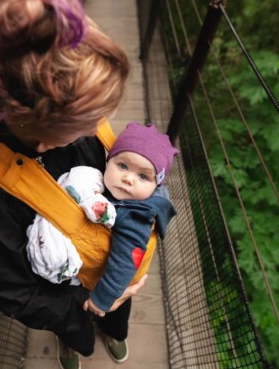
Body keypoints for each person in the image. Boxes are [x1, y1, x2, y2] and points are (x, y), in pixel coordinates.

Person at [0, 0, 150, 369]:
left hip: (111, 265)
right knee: (76, 331)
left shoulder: (83, 127)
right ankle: (75, 341)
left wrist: (124, 280)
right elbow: (16, 293)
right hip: (66, 299)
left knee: (117, 317)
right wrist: (90, 302)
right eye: (87, 122)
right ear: (48, 132)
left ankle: (114, 331)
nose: (98, 127)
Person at [26, 122, 179, 322]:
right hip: (98, 274)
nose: (128, 179)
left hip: (111, 285)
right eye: (123, 166)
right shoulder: (113, 191)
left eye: (143, 176)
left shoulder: (136, 216)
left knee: (110, 319)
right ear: (109, 161)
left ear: (156, 185)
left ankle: (115, 336)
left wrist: (103, 299)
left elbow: (125, 260)